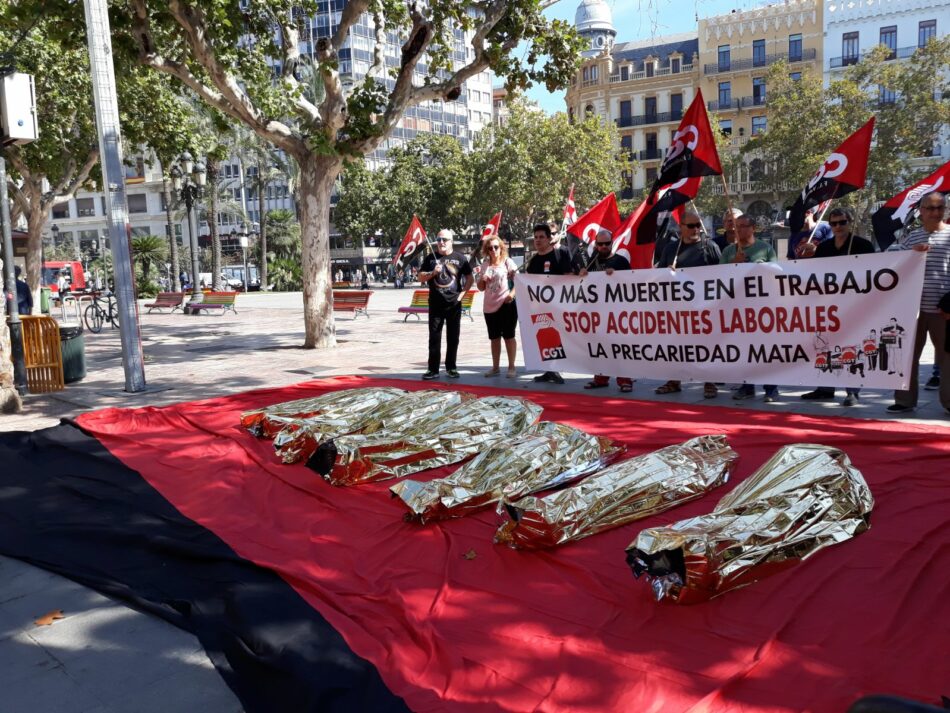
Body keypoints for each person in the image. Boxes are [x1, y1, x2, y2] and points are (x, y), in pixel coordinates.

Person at [799, 207, 874, 406]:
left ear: (850, 223)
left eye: (842, 222)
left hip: (854, 306)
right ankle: (825, 388)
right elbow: (815, 275)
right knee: (825, 345)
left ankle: (852, 391)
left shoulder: (863, 245)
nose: (838, 227)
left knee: (852, 346)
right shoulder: (824, 248)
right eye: (834, 223)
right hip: (829, 307)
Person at [886, 192, 950, 415]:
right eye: (930, 208)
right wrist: (911, 254)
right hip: (911, 310)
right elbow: (895, 267)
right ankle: (904, 400)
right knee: (906, 355)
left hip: (944, 311)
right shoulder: (911, 238)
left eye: (940, 207)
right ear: (920, 211)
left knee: (947, 358)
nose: (935, 212)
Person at [655, 212, 721, 399]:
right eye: (690, 225)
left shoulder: (710, 246)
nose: (695, 229)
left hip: (704, 308)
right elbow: (659, 276)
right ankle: (674, 381)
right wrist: (667, 273)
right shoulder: (671, 249)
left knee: (706, 346)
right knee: (676, 345)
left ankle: (710, 382)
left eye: (697, 225)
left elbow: (723, 274)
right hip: (678, 309)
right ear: (681, 227)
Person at [721, 215, 780, 402]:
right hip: (738, 310)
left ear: (753, 228)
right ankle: (747, 386)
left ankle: (771, 388)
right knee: (745, 350)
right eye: (735, 227)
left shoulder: (766, 249)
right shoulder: (729, 251)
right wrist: (734, 264)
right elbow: (717, 277)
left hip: (762, 309)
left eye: (742, 226)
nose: (737, 230)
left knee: (766, 350)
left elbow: (775, 274)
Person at [526, 223, 586, 384]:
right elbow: (528, 280)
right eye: (536, 237)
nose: (538, 241)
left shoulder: (560, 254)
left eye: (541, 237)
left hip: (561, 306)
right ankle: (550, 370)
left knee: (562, 338)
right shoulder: (534, 259)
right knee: (547, 337)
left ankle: (557, 368)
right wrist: (515, 278)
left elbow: (569, 275)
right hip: (541, 307)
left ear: (549, 238)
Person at [583, 228, 634, 393]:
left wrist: (617, 275)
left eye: (607, 243)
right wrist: (581, 274)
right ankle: (601, 378)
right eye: (600, 244)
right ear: (596, 244)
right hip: (597, 314)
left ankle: (625, 379)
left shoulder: (621, 261)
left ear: (612, 243)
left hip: (617, 314)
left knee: (619, 348)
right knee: (600, 346)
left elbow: (632, 284)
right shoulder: (591, 261)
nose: (603, 246)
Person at [419, 229, 473, 380]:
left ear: (451, 241)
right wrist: (432, 274)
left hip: (453, 305)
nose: (441, 242)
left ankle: (451, 367)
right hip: (436, 304)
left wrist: (462, 295)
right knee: (434, 337)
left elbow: (470, 278)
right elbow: (420, 277)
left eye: (445, 240)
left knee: (453, 337)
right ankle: (433, 369)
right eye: (439, 239)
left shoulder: (460, 258)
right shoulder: (430, 258)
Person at [476, 235, 518, 378]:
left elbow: (518, 281)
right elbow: (481, 288)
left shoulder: (508, 262)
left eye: (495, 247)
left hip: (506, 305)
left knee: (509, 336)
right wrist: (482, 279)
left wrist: (511, 295)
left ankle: (511, 367)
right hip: (489, 306)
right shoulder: (485, 265)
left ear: (501, 248)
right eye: (490, 248)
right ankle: (495, 367)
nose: (493, 250)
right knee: (494, 338)